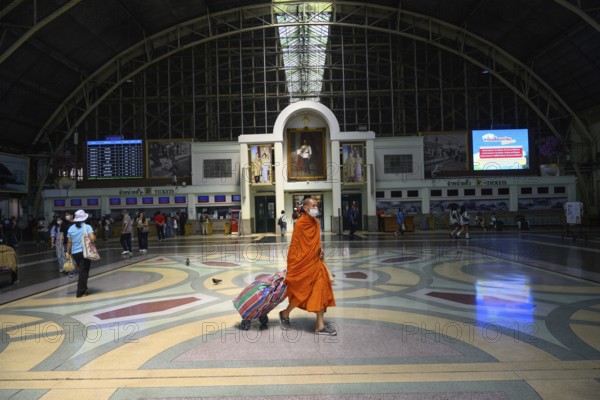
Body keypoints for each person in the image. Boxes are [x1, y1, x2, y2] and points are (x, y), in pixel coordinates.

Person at [279, 197, 337, 336]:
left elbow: (316, 242)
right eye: (313, 206)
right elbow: (295, 247)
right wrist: (295, 264)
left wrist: (320, 252)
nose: (316, 208)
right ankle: (285, 313)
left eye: (316, 206)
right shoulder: (300, 224)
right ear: (305, 208)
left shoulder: (316, 222)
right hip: (303, 264)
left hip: (316, 263)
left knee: (320, 290)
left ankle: (320, 326)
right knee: (301, 292)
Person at [66, 210, 96, 298]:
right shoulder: (87, 227)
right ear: (84, 218)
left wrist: (67, 252)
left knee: (83, 271)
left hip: (75, 253)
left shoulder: (71, 228)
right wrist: (95, 236)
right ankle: (80, 292)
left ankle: (84, 288)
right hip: (85, 252)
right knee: (83, 272)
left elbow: (69, 242)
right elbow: (92, 238)